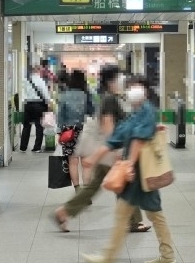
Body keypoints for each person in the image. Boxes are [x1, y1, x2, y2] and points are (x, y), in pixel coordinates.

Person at [81, 76, 175, 263]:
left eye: (136, 87)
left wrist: (129, 164)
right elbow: (117, 138)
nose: (132, 90)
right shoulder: (137, 111)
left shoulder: (147, 110)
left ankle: (108, 258)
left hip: (140, 173)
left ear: (145, 90)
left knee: (128, 214)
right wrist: (93, 158)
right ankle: (167, 254)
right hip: (139, 174)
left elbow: (138, 140)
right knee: (151, 214)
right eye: (130, 87)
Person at [51, 66, 150, 233]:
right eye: (119, 78)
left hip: (110, 150)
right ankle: (133, 221)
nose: (122, 81)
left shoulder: (113, 98)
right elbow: (107, 127)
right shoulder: (109, 100)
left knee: (98, 186)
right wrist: (115, 150)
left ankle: (64, 212)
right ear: (111, 81)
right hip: (111, 151)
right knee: (125, 183)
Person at [57, 70, 89, 189]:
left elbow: (60, 116)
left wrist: (59, 132)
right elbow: (93, 111)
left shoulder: (64, 95)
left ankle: (77, 189)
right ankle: (86, 193)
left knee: (73, 161)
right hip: (84, 129)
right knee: (86, 163)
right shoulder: (86, 95)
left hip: (68, 131)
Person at [20, 63, 51, 153]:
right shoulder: (40, 81)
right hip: (39, 105)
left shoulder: (25, 80)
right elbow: (45, 93)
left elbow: (23, 93)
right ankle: (36, 147)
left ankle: (23, 147)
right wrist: (48, 102)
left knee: (26, 126)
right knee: (39, 126)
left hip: (28, 104)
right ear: (38, 70)